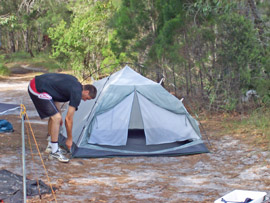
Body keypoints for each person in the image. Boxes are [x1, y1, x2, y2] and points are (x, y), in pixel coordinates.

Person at [28, 73, 97, 163]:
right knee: (56, 118)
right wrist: (69, 138)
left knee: (57, 117)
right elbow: (68, 119)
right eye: (87, 98)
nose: (84, 100)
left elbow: (55, 91)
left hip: (44, 87)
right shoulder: (76, 92)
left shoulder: (75, 84)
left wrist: (58, 111)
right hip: (36, 87)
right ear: (86, 92)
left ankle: (50, 145)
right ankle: (54, 152)